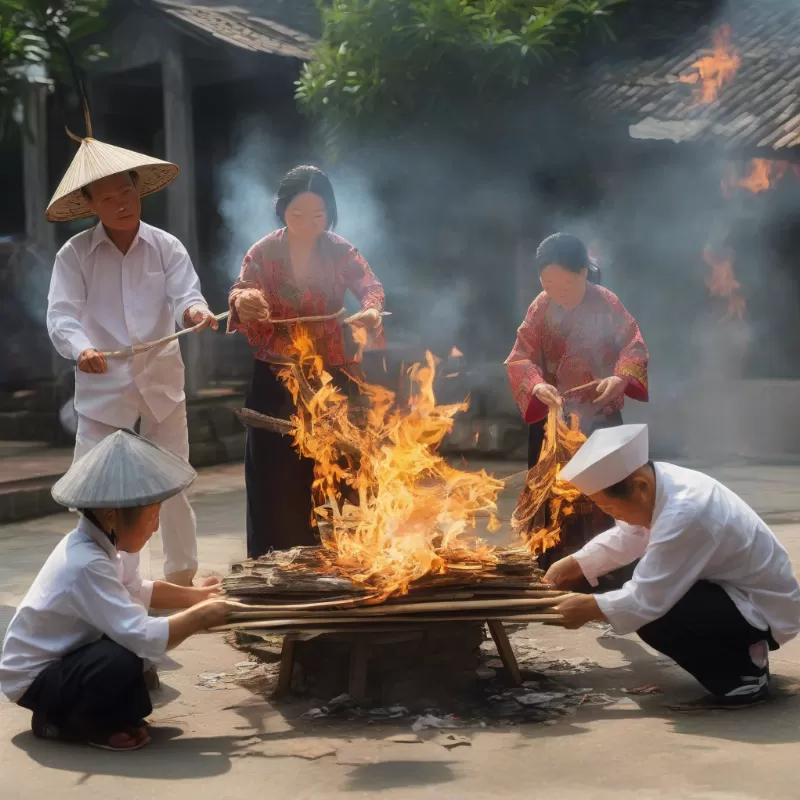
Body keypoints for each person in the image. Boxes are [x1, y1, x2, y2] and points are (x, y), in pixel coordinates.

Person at [45, 126, 219, 586]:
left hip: (160, 381)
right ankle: (108, 585)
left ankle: (181, 579)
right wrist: (81, 349)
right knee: (100, 491)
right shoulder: (74, 255)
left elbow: (187, 295)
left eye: (127, 191)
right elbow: (62, 315)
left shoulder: (166, 246)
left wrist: (197, 312)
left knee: (175, 483)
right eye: (108, 198)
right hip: (104, 390)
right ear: (90, 205)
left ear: (139, 190)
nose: (121, 203)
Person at [0, 430, 230, 750]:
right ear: (112, 516)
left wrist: (197, 596)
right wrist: (200, 616)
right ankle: (69, 722)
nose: (155, 526)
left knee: (129, 663)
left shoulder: (111, 541)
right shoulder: (84, 562)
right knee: (123, 655)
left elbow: (137, 589)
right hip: (35, 679)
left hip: (69, 658)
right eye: (152, 516)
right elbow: (139, 634)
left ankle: (93, 713)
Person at [545, 424, 800, 709]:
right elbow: (630, 536)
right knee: (631, 584)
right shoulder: (655, 481)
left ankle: (744, 676)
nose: (612, 516)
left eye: (610, 509)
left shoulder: (687, 511)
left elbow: (647, 600)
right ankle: (745, 652)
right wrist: (571, 565)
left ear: (639, 486)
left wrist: (586, 608)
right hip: (728, 589)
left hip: (762, 607)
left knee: (655, 616)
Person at [227, 165, 385, 558]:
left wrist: (370, 311)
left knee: (348, 468)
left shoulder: (341, 249)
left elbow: (371, 288)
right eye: (297, 215)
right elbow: (242, 290)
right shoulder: (263, 252)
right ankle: (277, 566)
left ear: (330, 214)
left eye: (318, 216)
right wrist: (244, 301)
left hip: (334, 374)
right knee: (277, 475)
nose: (307, 224)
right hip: (277, 378)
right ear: (281, 211)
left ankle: (355, 563)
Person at [505, 232, 649, 569]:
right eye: (547, 283)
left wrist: (620, 377)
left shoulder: (607, 303)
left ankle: (609, 570)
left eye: (564, 284)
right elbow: (520, 356)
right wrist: (537, 385)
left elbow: (634, 346)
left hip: (599, 415)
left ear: (584, 272)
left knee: (607, 494)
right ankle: (551, 565)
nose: (556, 293)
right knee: (551, 494)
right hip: (554, 417)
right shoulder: (540, 306)